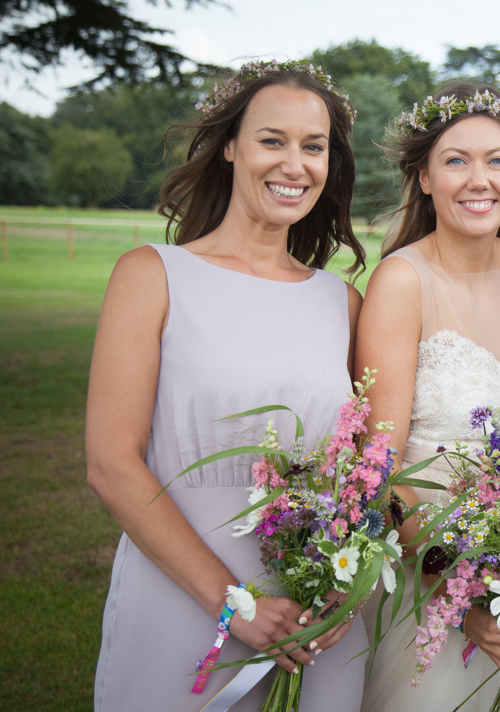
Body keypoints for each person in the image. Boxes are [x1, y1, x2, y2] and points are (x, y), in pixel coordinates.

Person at [87, 60, 368, 711]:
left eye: (313, 146)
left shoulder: (342, 303)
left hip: (313, 621)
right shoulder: (153, 275)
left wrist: (350, 582)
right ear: (230, 147)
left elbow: (360, 469)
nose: (294, 164)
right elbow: (110, 464)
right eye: (273, 140)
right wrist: (234, 605)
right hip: (182, 595)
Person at [356, 81, 500, 712]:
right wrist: (464, 601)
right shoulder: (402, 281)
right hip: (426, 582)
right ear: (425, 178)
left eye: (496, 161)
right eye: (455, 160)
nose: (476, 179)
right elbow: (379, 472)